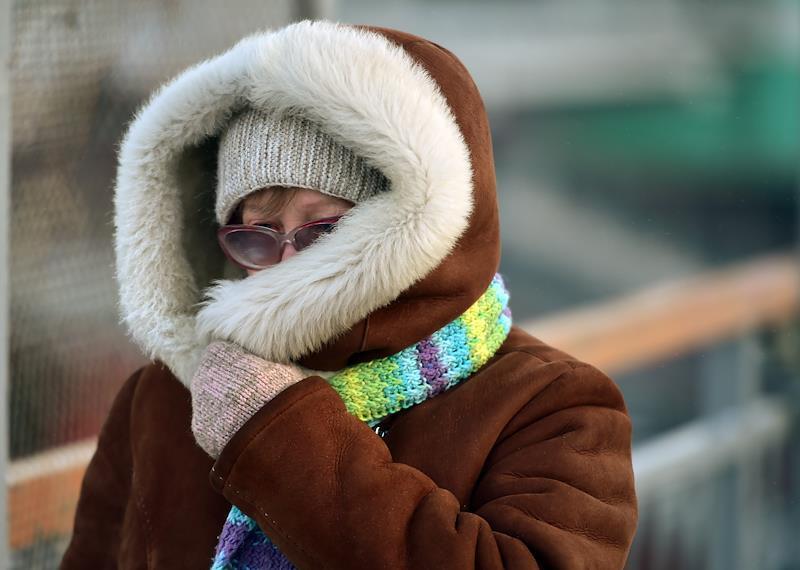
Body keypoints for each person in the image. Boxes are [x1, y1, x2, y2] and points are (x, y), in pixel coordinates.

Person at [61, 20, 638, 569]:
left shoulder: (553, 406)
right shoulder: (167, 398)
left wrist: (278, 435)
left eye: (325, 230)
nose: (287, 264)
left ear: (413, 228)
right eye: (256, 236)